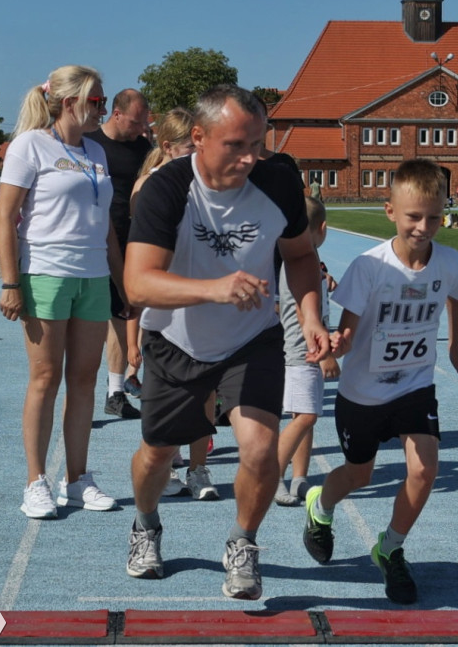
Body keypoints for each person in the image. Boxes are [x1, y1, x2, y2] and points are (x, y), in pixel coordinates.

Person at [123, 85, 330, 600]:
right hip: (176, 341)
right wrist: (214, 289)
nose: (250, 157)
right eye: (237, 144)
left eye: (258, 143)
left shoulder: (278, 182)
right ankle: (146, 524)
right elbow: (138, 284)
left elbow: (301, 256)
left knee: (260, 450)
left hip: (252, 338)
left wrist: (310, 318)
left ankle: (243, 543)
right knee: (157, 452)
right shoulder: (166, 190)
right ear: (198, 137)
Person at [302, 158, 458, 605]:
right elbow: (349, 329)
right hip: (362, 392)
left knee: (425, 469)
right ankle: (321, 505)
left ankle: (391, 548)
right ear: (390, 211)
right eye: (413, 216)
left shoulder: (450, 261)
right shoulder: (370, 267)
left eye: (434, 217)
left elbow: (457, 296)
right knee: (360, 474)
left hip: (414, 385)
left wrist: (454, 345)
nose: (423, 227)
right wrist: (336, 346)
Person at [0, 65, 128, 519]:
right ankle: (36, 481)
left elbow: (105, 224)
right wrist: (10, 282)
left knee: (84, 381)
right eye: (96, 101)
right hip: (46, 274)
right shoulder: (30, 145)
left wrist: (120, 278)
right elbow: (4, 216)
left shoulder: (96, 151)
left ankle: (78, 479)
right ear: (69, 102)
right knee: (45, 379)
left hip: (91, 277)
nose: (103, 109)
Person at [125, 107, 217, 500]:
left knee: (207, 392)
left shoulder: (207, 181)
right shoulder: (149, 187)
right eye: (187, 148)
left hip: (203, 298)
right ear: (168, 148)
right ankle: (166, 466)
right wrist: (132, 339)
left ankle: (199, 469)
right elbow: (140, 261)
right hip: (165, 302)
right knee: (171, 401)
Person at [86, 88, 152, 420]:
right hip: (95, 241)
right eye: (137, 122)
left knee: (124, 314)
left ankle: (115, 391)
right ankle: (81, 397)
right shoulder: (91, 144)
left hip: (131, 242)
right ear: (116, 114)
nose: (142, 129)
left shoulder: (144, 147)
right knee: (89, 321)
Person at [274, 196, 340, 506]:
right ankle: (273, 476)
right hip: (304, 352)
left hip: (305, 351)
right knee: (305, 417)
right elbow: (304, 311)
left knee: (306, 415)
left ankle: (299, 477)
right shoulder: (305, 264)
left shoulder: (309, 261)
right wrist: (324, 353)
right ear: (322, 228)